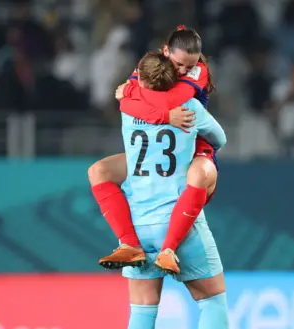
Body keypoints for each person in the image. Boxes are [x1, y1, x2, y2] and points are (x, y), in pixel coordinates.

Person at [120, 52, 244, 329]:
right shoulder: (189, 106)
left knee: (142, 310)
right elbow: (219, 137)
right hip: (180, 218)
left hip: (139, 224)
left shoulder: (129, 106)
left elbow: (133, 88)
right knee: (212, 299)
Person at [89, 26, 218, 276]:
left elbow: (173, 102)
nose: (183, 71)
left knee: (199, 174)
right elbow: (130, 107)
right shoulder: (148, 66)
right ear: (166, 51)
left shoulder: (198, 70)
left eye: (188, 66)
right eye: (179, 64)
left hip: (192, 146)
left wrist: (131, 94)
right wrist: (154, 111)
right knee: (98, 171)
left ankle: (170, 248)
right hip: (153, 152)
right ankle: (129, 244)